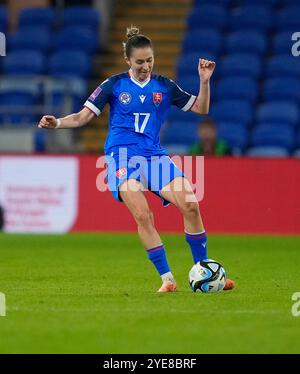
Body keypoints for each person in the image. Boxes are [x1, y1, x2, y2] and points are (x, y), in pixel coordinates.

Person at [38, 26, 234, 292]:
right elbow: (83, 117)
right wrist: (57, 122)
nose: (145, 66)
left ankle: (205, 271)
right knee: (143, 215)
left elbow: (202, 108)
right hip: (121, 157)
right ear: (128, 60)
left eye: (149, 60)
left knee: (190, 204)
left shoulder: (164, 86)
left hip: (153, 156)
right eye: (140, 61)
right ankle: (167, 279)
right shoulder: (114, 84)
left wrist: (204, 80)